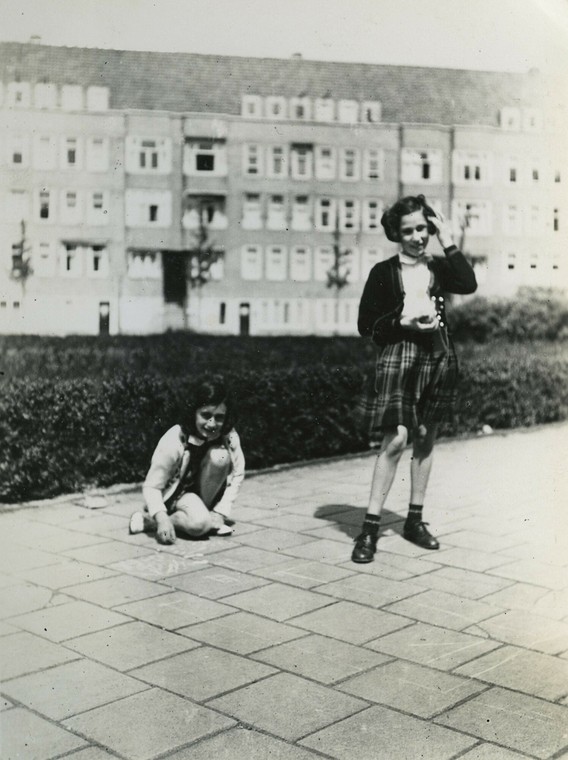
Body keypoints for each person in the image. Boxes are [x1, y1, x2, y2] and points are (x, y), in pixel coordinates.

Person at [352, 194, 477, 563]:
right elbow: (366, 326)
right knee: (396, 440)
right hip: (400, 355)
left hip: (439, 354)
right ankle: (369, 529)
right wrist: (400, 323)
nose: (417, 236)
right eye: (408, 231)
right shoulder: (383, 272)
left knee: (425, 437)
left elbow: (468, 283)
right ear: (396, 233)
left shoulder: (438, 266)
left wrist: (448, 238)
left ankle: (414, 521)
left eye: (422, 228)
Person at [129, 378, 245, 544]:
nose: (212, 424)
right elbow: (152, 486)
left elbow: (238, 473)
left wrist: (220, 512)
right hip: (175, 497)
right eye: (206, 415)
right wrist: (161, 518)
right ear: (193, 413)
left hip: (204, 495)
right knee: (199, 526)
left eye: (219, 417)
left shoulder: (229, 436)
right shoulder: (174, 438)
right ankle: (156, 520)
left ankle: (204, 515)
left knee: (220, 456)